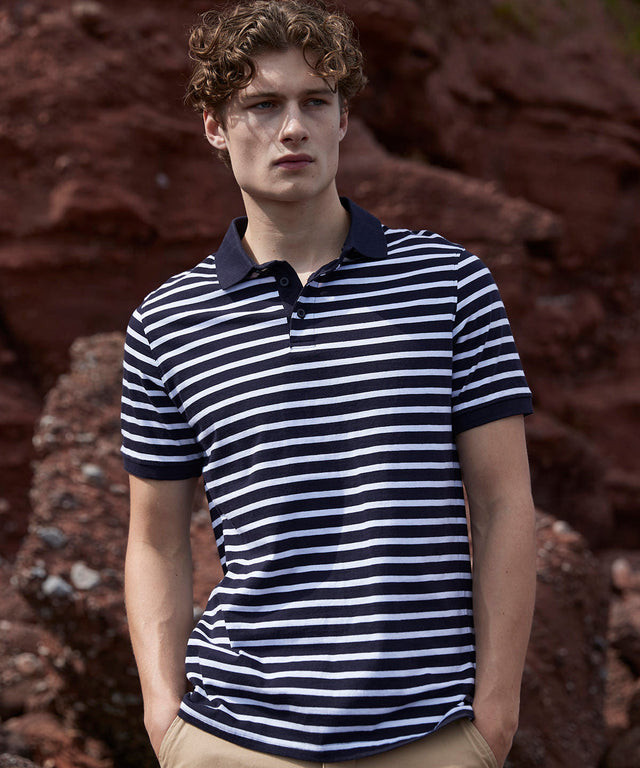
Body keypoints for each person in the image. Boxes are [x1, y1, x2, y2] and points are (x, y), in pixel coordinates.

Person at [122, 2, 537, 767]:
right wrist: (164, 720)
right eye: (262, 105)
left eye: (315, 101)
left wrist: (495, 717)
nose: (293, 128)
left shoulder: (449, 284)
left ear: (343, 118)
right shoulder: (166, 322)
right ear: (214, 126)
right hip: (231, 740)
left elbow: (505, 503)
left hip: (429, 737)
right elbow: (154, 539)